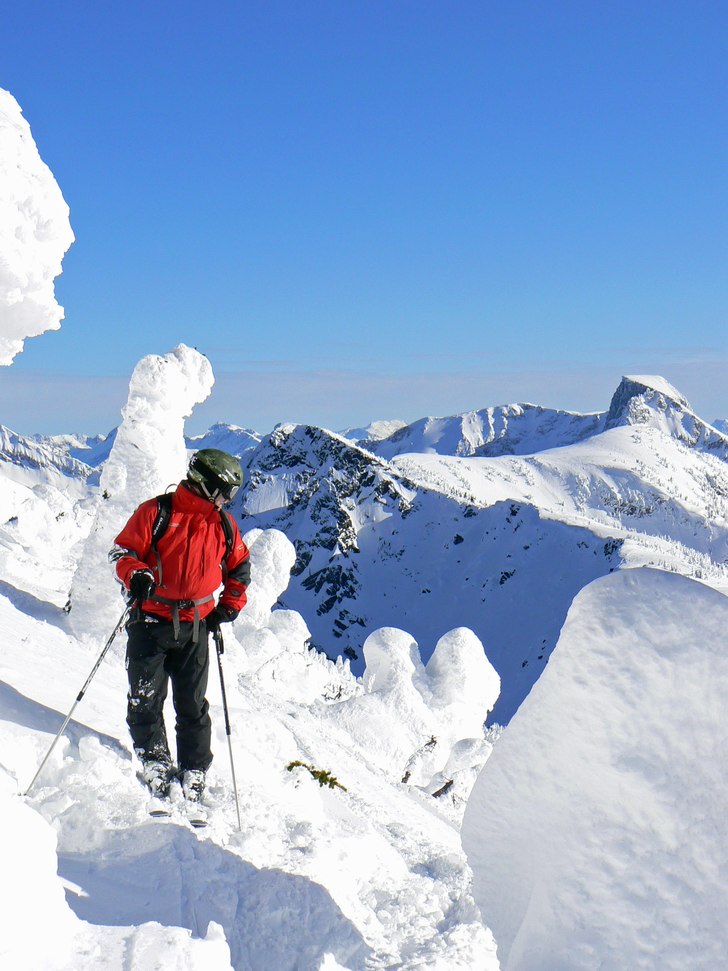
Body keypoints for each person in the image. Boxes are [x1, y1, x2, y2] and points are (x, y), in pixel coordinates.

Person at [109, 448, 251, 803]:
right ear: (204, 483)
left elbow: (240, 567)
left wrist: (227, 608)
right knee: (145, 698)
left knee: (192, 704)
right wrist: (136, 574)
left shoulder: (222, 524)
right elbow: (122, 552)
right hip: (150, 621)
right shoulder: (157, 512)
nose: (227, 500)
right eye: (224, 491)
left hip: (196, 626)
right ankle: (155, 760)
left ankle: (195, 769)